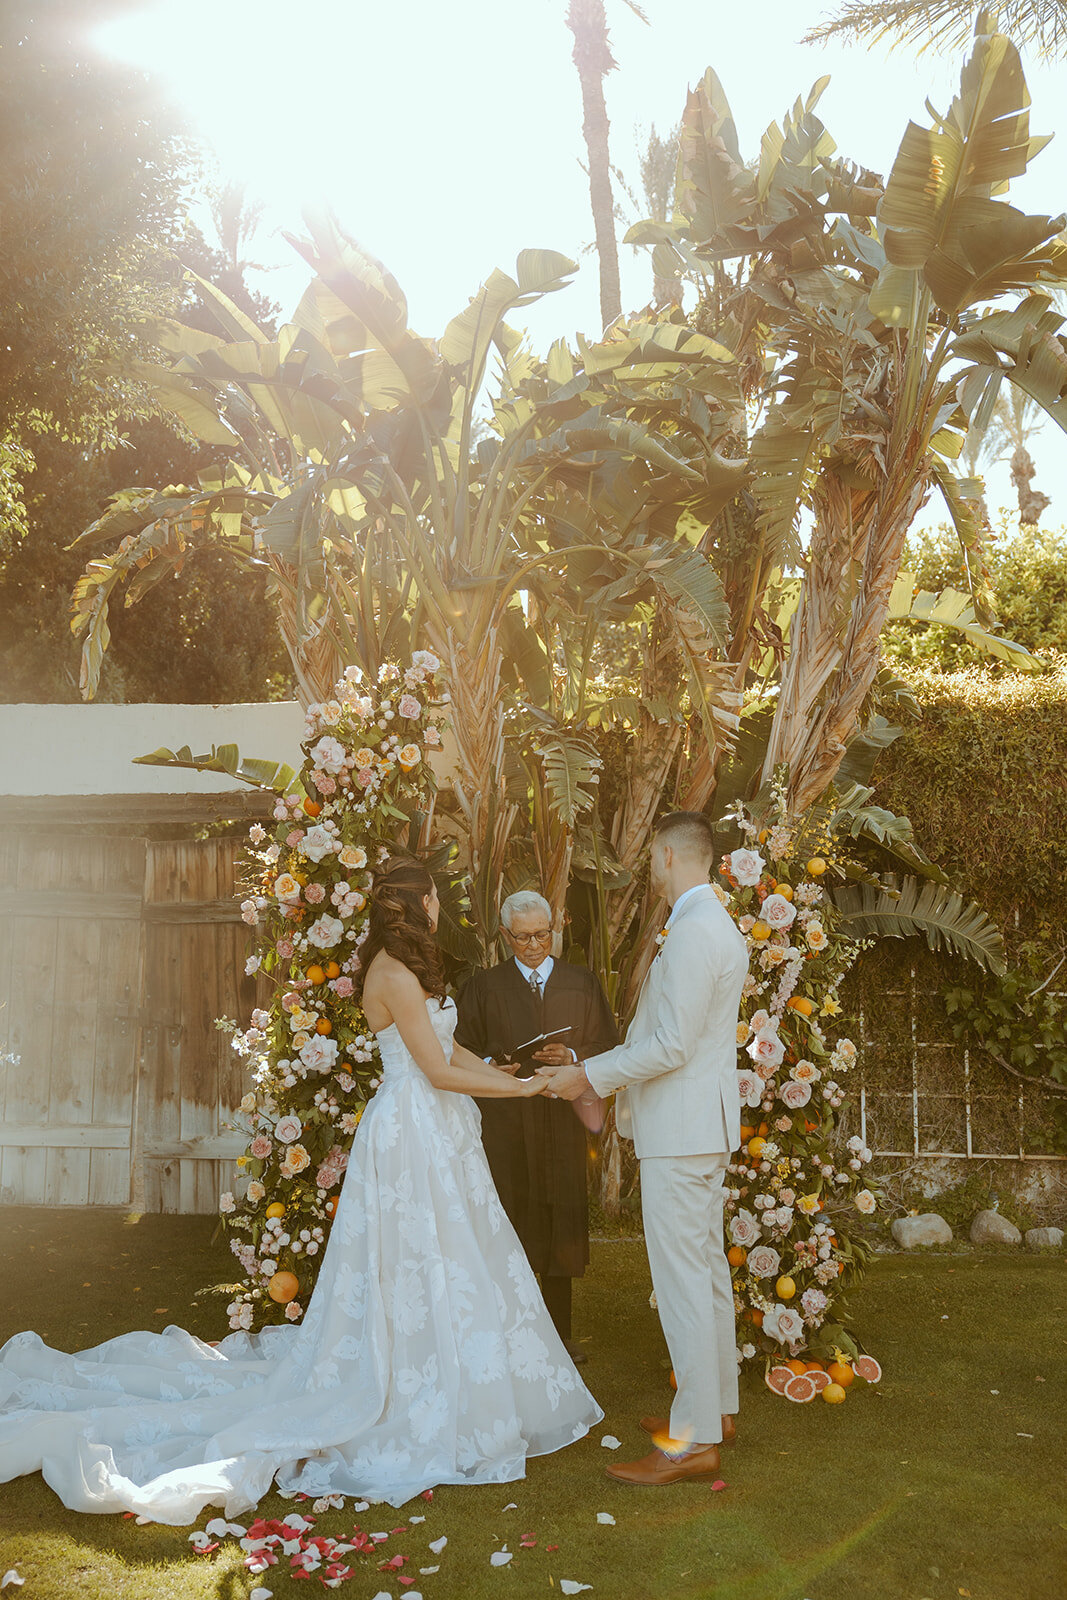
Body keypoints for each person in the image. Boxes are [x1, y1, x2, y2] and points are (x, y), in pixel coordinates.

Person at [0, 857, 602, 1524]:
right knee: (416, 1256)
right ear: (417, 905)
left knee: (459, 1250)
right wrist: (517, 1088)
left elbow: (452, 1048)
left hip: (443, 1129)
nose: (438, 907)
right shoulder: (391, 974)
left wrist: (496, 1072)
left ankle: (460, 1371)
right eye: (433, 898)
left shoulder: (415, 971)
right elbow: (431, 1069)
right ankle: (406, 1382)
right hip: (410, 1129)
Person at [537, 812, 748, 1487]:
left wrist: (587, 1076)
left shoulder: (691, 933)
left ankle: (689, 1442)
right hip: (699, 1127)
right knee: (705, 1271)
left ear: (664, 855)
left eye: (650, 859)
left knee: (683, 1280)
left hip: (682, 1132)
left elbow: (671, 1045)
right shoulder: (712, 923)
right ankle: (716, 1410)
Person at [455, 890, 619, 1364]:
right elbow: (460, 1045)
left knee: (560, 1223)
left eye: (542, 935)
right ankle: (511, 1333)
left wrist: (571, 1057)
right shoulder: (485, 986)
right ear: (505, 935)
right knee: (513, 1219)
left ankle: (561, 1336)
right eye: (523, 936)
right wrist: (490, 1066)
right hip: (507, 1125)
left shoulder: (581, 983)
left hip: (562, 1123)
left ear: (555, 929)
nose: (533, 945)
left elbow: (608, 1044)